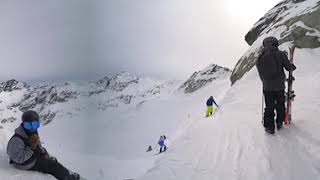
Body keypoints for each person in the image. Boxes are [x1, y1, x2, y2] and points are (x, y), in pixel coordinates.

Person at [7, 110, 80, 180]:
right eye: (28, 125)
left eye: (35, 124)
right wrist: (31, 148)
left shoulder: (31, 132)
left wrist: (43, 152)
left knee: (51, 160)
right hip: (24, 164)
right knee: (52, 165)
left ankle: (62, 172)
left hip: (30, 157)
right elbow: (18, 159)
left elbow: (37, 144)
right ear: (23, 124)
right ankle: (68, 178)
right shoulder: (16, 140)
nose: (32, 128)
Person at [256, 37, 296, 134]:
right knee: (280, 104)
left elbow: (261, 73)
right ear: (275, 43)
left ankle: (269, 127)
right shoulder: (280, 54)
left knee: (269, 106)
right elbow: (288, 67)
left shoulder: (261, 56)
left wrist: (265, 82)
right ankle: (279, 122)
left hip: (267, 87)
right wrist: (292, 66)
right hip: (279, 86)